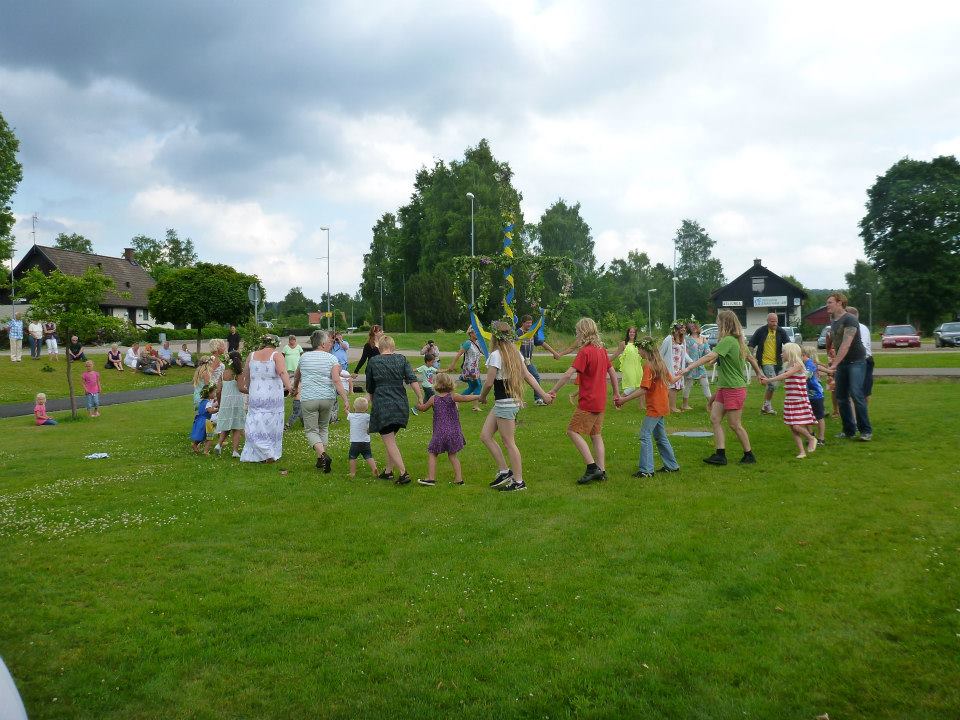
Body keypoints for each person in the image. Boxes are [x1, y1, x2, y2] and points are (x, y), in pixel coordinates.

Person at [681, 309, 764, 466]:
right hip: (725, 387)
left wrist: (689, 367)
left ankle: (749, 455)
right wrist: (759, 373)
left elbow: (709, 356)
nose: (717, 325)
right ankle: (720, 455)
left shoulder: (729, 341)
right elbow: (751, 359)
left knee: (734, 424)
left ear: (725, 323)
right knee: (715, 418)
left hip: (734, 388)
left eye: (718, 322)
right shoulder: (737, 341)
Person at [478, 320, 552, 492]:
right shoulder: (515, 353)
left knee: (509, 443)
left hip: (505, 404)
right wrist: (544, 395)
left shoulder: (496, 355)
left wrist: (482, 397)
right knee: (485, 436)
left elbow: (488, 383)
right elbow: (529, 376)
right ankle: (505, 471)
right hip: (504, 403)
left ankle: (519, 482)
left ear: (495, 337)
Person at [548, 317, 621, 485]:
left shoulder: (585, 351)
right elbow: (612, 373)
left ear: (582, 332)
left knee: (572, 431)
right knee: (596, 435)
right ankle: (602, 471)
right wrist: (616, 393)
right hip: (600, 400)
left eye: (577, 332)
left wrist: (553, 391)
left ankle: (592, 467)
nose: (576, 335)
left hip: (588, 401)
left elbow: (568, 374)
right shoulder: (601, 350)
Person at [615, 335, 680, 478]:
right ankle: (671, 465)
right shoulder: (660, 364)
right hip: (662, 406)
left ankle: (646, 470)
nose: (638, 352)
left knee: (645, 435)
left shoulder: (648, 366)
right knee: (660, 437)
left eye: (639, 349)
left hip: (655, 408)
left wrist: (624, 400)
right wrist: (683, 372)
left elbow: (644, 389)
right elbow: (672, 380)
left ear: (645, 349)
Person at [366, 334, 424, 485]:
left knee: (389, 441)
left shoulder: (373, 361)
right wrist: (420, 397)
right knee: (390, 440)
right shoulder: (401, 359)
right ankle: (388, 471)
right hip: (401, 404)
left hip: (383, 405)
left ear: (380, 347)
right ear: (393, 346)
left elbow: (370, 386)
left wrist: (372, 402)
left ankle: (403, 473)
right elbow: (412, 379)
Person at [292, 330, 350, 472]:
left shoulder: (304, 357)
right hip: (327, 398)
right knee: (323, 428)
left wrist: (294, 388)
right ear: (322, 344)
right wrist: (345, 399)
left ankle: (323, 455)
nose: (331, 344)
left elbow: (297, 375)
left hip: (309, 398)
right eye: (329, 342)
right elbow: (336, 380)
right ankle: (320, 459)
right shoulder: (332, 359)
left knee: (311, 430)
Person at [240, 335, 293, 463]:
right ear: (276, 343)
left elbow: (246, 374)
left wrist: (249, 388)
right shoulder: (277, 355)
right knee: (272, 423)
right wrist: (289, 387)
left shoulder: (251, 355)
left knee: (255, 422)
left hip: (256, 394)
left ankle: (260, 451)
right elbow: (282, 372)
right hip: (272, 395)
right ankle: (269, 452)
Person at [415, 372, 474, 486]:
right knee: (452, 455)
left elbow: (423, 408)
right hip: (454, 432)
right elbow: (465, 398)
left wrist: (418, 405)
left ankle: (431, 478)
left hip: (439, 433)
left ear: (435, 384)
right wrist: (479, 396)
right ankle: (459, 479)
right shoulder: (453, 397)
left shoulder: (433, 398)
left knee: (433, 453)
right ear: (450, 384)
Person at [760, 343, 818, 458]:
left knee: (796, 426)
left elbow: (785, 376)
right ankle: (802, 452)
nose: (781, 354)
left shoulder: (798, 365)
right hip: (790, 400)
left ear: (790, 352)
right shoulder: (788, 366)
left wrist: (769, 380)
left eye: (783, 351)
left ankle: (811, 438)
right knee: (792, 427)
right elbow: (784, 376)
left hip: (799, 400)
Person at [826, 293, 872, 441]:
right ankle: (848, 431)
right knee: (841, 397)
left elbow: (846, 344)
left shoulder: (850, 319)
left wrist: (834, 364)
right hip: (843, 363)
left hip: (856, 361)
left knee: (856, 394)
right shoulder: (833, 320)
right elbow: (834, 342)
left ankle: (866, 431)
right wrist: (831, 354)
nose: (827, 305)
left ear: (840, 303)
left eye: (830, 302)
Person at [748, 313, 790, 416]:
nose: (774, 323)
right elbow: (751, 344)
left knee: (773, 385)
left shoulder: (781, 331)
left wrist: (788, 354)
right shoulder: (761, 331)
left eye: (776, 321)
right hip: (765, 361)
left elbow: (789, 344)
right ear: (767, 321)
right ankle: (767, 406)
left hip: (778, 362)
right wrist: (751, 357)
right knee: (772, 384)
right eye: (772, 321)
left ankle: (766, 406)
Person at [214, 351, 246, 458]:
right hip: (236, 401)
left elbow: (218, 391)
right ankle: (235, 451)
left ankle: (219, 444)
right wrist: (252, 391)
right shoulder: (238, 373)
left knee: (227, 425)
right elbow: (241, 388)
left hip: (225, 402)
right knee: (237, 426)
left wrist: (220, 403)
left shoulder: (223, 373)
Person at [446, 326, 483, 410]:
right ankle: (475, 406)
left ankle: (456, 401)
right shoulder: (468, 343)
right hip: (470, 369)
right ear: (470, 334)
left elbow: (484, 352)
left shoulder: (478, 343)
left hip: (475, 368)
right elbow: (459, 354)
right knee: (478, 385)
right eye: (475, 332)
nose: (477, 334)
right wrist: (452, 365)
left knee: (472, 387)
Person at [659, 323, 690, 414]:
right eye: (681, 329)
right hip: (670, 367)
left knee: (677, 387)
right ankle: (672, 407)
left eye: (684, 330)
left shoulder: (682, 340)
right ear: (675, 330)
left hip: (679, 367)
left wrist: (690, 361)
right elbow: (661, 352)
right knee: (673, 387)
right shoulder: (669, 339)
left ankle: (664, 403)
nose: (683, 331)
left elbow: (684, 353)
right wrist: (661, 365)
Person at [518, 315, 549, 405]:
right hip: (519, 362)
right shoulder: (518, 333)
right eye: (527, 323)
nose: (529, 324)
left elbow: (541, 343)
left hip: (528, 362)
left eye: (531, 323)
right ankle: (518, 400)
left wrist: (554, 353)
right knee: (518, 381)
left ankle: (538, 399)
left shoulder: (531, 333)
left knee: (536, 377)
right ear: (523, 323)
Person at [847, 306, 874, 406]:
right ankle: (858, 413)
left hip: (861, 360)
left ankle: (860, 413)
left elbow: (862, 346)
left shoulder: (860, 328)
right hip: (858, 360)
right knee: (856, 391)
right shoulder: (852, 328)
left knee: (861, 391)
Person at [609, 326, 644, 403]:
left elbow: (643, 354)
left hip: (638, 367)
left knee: (641, 386)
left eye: (633, 332)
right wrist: (606, 361)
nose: (632, 333)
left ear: (635, 334)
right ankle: (618, 400)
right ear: (628, 333)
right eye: (630, 332)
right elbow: (616, 354)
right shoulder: (623, 343)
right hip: (628, 368)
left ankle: (641, 405)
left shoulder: (638, 344)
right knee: (631, 387)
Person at [347, 397, 379, 478]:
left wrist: (346, 409)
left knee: (352, 457)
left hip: (355, 442)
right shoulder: (368, 417)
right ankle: (374, 469)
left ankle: (352, 473)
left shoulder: (351, 416)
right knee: (368, 456)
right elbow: (374, 421)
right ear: (367, 409)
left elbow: (347, 413)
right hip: (365, 442)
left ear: (354, 407)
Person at [682, 322, 711, 410]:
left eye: (694, 326)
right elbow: (685, 353)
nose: (693, 328)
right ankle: (685, 405)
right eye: (691, 327)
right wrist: (688, 363)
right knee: (688, 385)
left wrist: (711, 357)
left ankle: (710, 404)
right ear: (689, 329)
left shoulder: (703, 339)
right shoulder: (687, 339)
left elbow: (708, 352)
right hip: (690, 365)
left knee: (705, 384)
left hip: (700, 366)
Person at [802, 346, 826, 446]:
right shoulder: (803, 364)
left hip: (816, 395)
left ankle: (821, 438)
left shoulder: (810, 364)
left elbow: (805, 377)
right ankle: (811, 435)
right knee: (807, 416)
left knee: (819, 416)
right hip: (806, 394)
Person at [352, 325, 382, 391]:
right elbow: (363, 359)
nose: (382, 332)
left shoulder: (383, 344)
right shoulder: (368, 345)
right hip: (371, 370)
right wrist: (356, 371)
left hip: (381, 370)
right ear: (375, 333)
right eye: (380, 331)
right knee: (371, 390)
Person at [191, 383, 218, 454]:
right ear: (209, 394)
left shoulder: (202, 402)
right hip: (206, 422)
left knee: (202, 435)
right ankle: (206, 451)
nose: (215, 394)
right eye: (214, 392)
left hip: (200, 420)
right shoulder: (207, 403)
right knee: (209, 437)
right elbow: (210, 411)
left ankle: (195, 445)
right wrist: (218, 409)